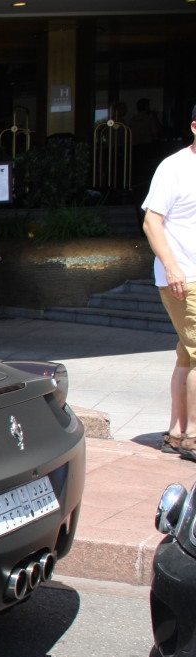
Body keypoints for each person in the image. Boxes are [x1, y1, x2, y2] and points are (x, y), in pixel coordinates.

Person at [141, 104, 196, 460]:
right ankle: (193, 437)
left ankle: (178, 433)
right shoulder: (174, 167)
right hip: (184, 277)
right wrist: (173, 268)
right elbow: (151, 222)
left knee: (187, 355)